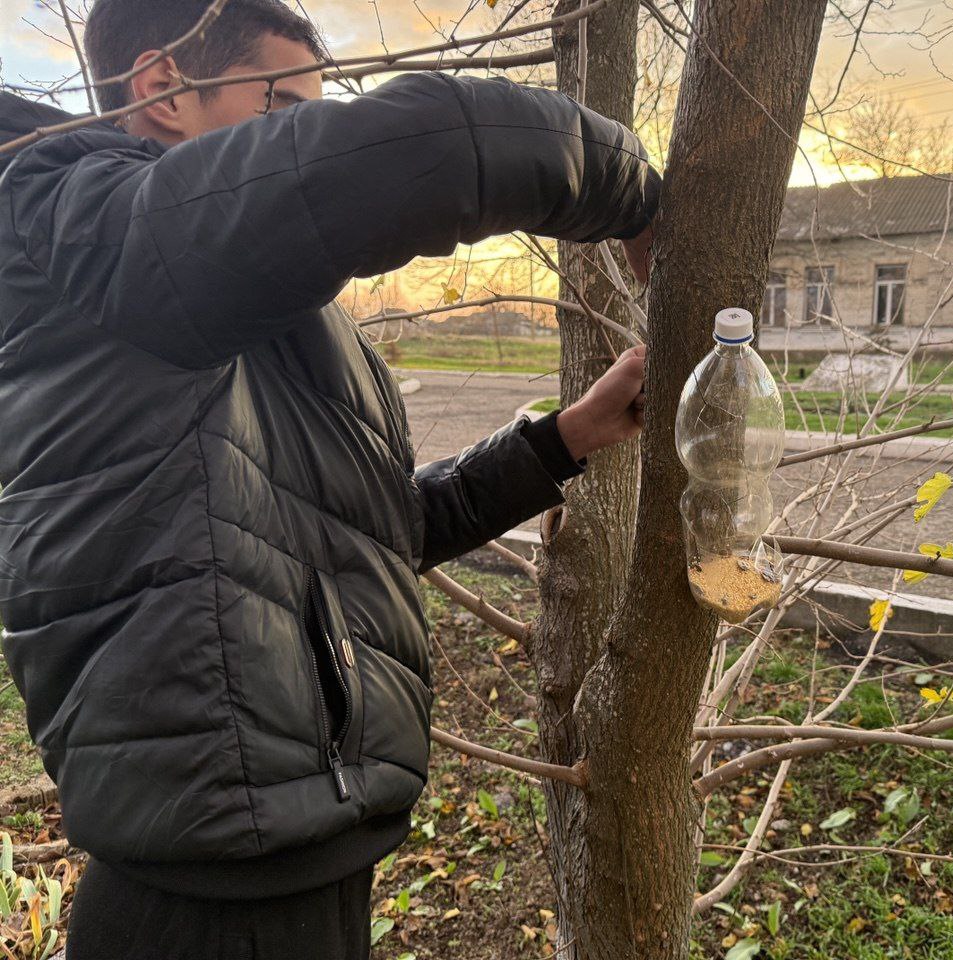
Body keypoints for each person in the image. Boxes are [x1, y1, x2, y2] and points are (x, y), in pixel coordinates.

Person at [0, 1, 659, 957]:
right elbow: (397, 153)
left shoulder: (266, 319)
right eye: (283, 107)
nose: (305, 134)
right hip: (206, 897)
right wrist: (630, 187)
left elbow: (376, 537)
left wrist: (563, 440)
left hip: (313, 853)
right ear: (161, 91)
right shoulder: (73, 224)